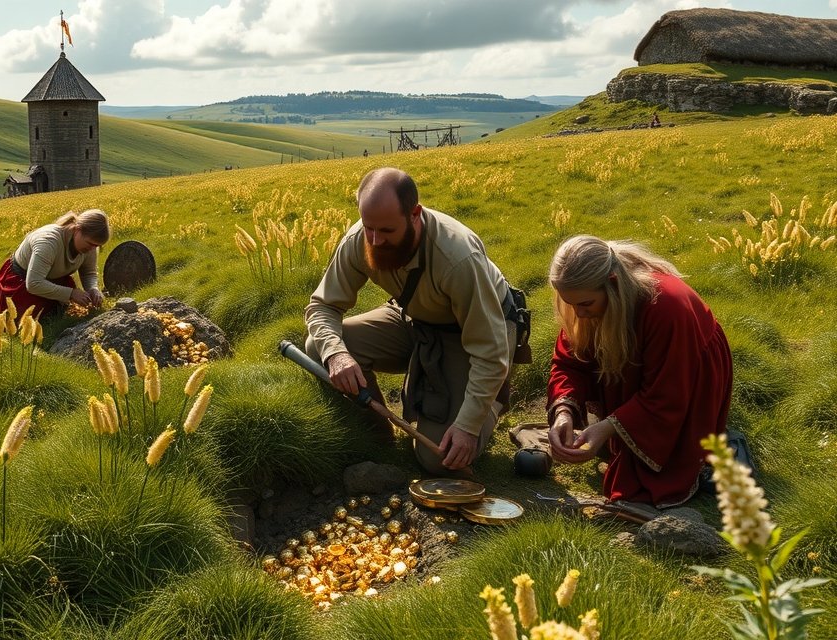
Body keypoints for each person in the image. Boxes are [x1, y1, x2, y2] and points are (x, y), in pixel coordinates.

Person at [304, 167, 518, 474]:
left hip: (473, 336)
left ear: (414, 214)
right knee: (320, 347)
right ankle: (378, 436)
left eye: (387, 231)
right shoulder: (361, 239)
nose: (375, 241)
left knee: (439, 460)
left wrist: (468, 427)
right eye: (369, 229)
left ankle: (493, 404)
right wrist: (337, 354)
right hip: (414, 320)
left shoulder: (458, 257)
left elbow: (490, 350)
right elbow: (322, 306)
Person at [546, 235, 733, 508]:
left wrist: (607, 428)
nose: (579, 314)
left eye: (585, 304)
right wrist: (564, 413)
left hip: (686, 369)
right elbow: (569, 363)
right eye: (570, 304)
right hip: (653, 370)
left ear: (612, 286)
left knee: (647, 480)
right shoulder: (584, 301)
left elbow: (667, 393)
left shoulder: (666, 307)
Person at [0, 209, 110, 318]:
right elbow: (33, 283)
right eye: (90, 244)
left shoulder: (90, 244)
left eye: (96, 246)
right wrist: (71, 293)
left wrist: (93, 289)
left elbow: (88, 273)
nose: (92, 249)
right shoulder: (48, 242)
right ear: (77, 229)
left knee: (67, 314)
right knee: (34, 319)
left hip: (53, 281)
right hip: (20, 284)